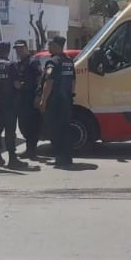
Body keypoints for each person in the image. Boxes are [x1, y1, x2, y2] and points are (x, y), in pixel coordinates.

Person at [38, 35, 76, 168]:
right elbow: (73, 82)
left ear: (56, 46)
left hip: (55, 102)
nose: (49, 47)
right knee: (65, 130)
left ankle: (59, 157)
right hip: (66, 101)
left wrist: (43, 100)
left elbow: (49, 82)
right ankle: (67, 157)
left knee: (55, 131)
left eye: (50, 45)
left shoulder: (52, 62)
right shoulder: (69, 61)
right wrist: (70, 96)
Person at [0, 41, 25, 169]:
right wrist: (22, 86)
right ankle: (12, 159)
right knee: (10, 132)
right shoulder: (10, 65)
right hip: (9, 103)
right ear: (8, 50)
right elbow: (16, 84)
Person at [12, 40, 44, 159]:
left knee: (32, 125)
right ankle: (29, 150)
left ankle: (32, 151)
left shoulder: (33, 62)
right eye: (16, 49)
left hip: (31, 98)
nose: (19, 51)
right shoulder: (19, 63)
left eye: (21, 48)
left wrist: (38, 95)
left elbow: (39, 79)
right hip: (22, 98)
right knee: (23, 125)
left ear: (26, 48)